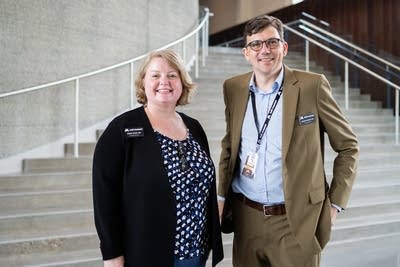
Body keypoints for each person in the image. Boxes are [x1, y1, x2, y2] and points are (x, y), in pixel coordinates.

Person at [217, 14, 359, 267]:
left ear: (284, 47)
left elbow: (348, 146)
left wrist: (334, 205)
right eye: (256, 44)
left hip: (295, 221)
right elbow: (229, 146)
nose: (265, 51)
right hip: (246, 217)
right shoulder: (233, 89)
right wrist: (220, 198)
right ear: (246, 53)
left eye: (272, 42)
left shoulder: (311, 86)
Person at [92, 49, 223, 267]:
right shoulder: (121, 129)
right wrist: (112, 255)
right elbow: (105, 198)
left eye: (172, 75)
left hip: (195, 255)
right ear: (143, 82)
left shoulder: (194, 127)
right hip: (146, 255)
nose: (164, 81)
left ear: (182, 82)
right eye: (155, 75)